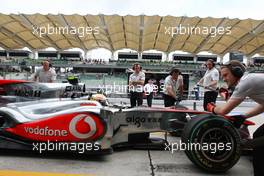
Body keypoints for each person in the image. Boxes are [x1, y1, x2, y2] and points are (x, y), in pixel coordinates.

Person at [206, 60, 264, 176]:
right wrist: (243, 116)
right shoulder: (250, 80)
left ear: (237, 73)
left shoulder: (245, 82)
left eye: (226, 75)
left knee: (259, 143)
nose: (224, 79)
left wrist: (211, 108)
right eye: (223, 76)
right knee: (258, 135)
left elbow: (223, 111)